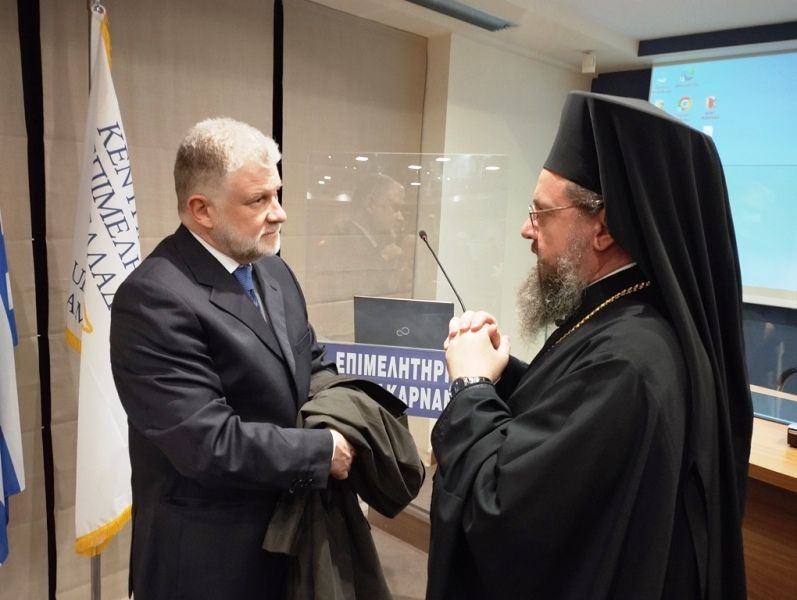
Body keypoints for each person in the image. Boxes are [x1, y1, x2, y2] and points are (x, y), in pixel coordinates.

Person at [426, 91, 752, 599]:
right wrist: (504, 375)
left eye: (541, 213)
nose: (526, 229)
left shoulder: (630, 359)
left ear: (602, 228)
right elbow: (569, 419)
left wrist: (470, 387)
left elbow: (507, 509)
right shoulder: (624, 318)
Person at [109, 117, 355, 600]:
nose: (279, 213)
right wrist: (321, 451)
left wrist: (350, 416)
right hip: (209, 562)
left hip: (290, 541)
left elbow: (311, 365)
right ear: (202, 209)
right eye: (258, 200)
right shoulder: (153, 298)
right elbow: (206, 442)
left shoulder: (274, 272)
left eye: (277, 194)